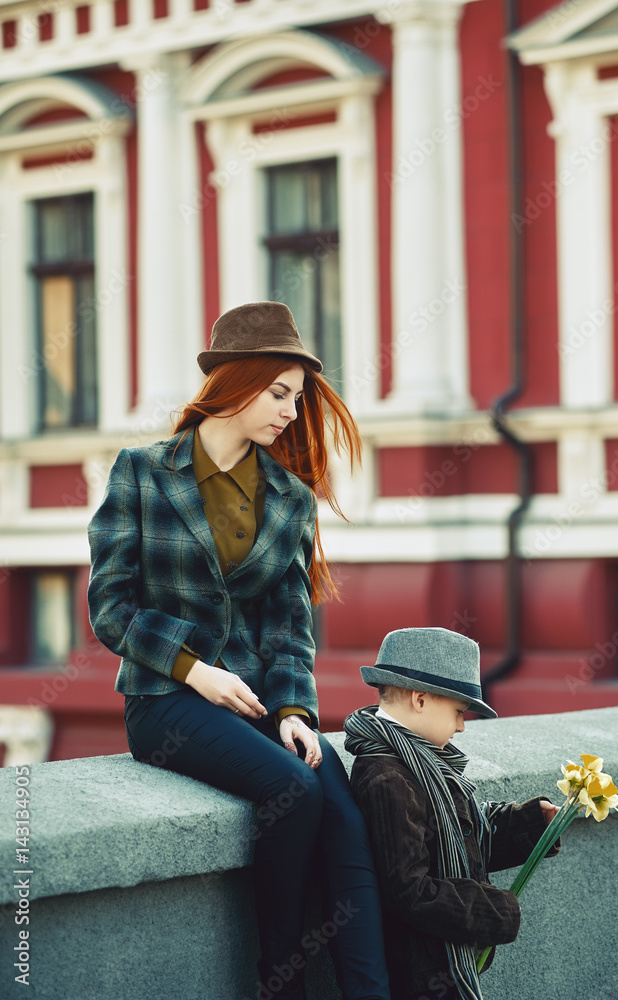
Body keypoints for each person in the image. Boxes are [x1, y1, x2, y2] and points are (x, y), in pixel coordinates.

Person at [87, 301, 391, 1000]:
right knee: (290, 789)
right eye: (279, 392)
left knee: (345, 816)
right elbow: (110, 608)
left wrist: (292, 708)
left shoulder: (288, 497)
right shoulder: (140, 473)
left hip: (257, 703)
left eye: (297, 397)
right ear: (237, 382)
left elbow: (289, 622)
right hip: (165, 702)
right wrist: (197, 672)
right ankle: (278, 979)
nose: (290, 411)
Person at [343, 627, 561, 1000]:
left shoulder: (423, 764)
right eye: (458, 711)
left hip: (433, 964)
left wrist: (530, 822)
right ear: (421, 700)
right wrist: (498, 911)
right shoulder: (387, 777)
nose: (462, 725)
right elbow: (408, 890)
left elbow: (464, 833)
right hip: (422, 972)